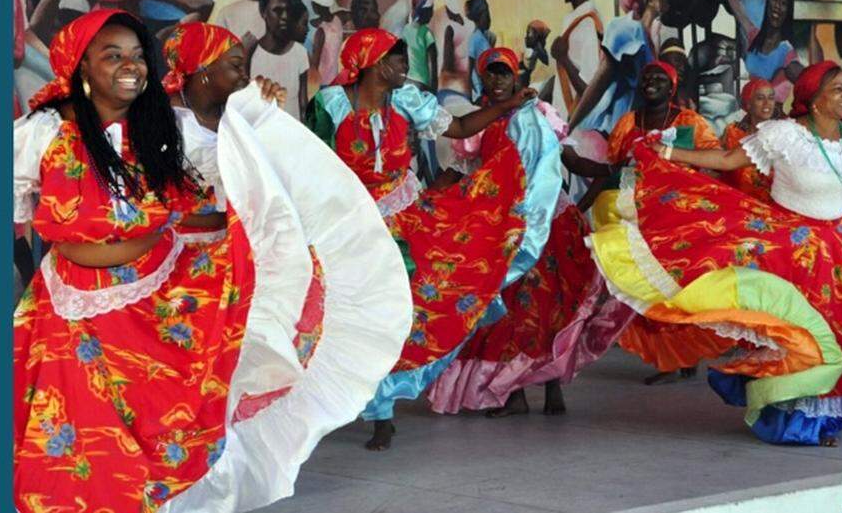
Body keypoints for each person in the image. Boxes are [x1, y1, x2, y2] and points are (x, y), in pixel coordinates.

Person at [13, 12, 411, 511]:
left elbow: (227, 174)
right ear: (81, 66)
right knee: (77, 441)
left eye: (137, 56)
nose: (130, 66)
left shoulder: (161, 127)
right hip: (72, 315)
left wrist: (258, 114)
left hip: (152, 299)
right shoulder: (42, 133)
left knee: (156, 423)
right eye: (113, 56)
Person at [305, 30, 557, 451]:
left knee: (410, 307)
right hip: (349, 222)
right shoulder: (329, 104)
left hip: (404, 216)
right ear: (374, 62)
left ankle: (382, 411)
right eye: (398, 60)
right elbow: (309, 160)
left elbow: (457, 127)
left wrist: (505, 106)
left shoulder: (407, 100)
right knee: (352, 313)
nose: (406, 69)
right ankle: (350, 401)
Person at [588, 61, 842, 446]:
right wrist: (670, 153)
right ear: (814, 100)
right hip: (789, 254)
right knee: (803, 337)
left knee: (840, 337)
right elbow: (727, 160)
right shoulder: (785, 135)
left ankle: (825, 417)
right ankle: (795, 420)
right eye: (838, 89)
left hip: (837, 258)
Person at [426, 48, 634, 417]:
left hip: (550, 223)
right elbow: (458, 171)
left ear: (516, 77)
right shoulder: (478, 122)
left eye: (504, 72)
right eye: (491, 73)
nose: (498, 79)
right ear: (482, 77)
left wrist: (612, 170)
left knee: (551, 306)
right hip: (505, 228)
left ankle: (553, 388)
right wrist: (424, 203)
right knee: (513, 311)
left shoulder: (539, 114)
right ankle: (515, 394)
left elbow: (569, 160)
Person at [584, 61, 722, 386]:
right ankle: (670, 359)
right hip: (638, 215)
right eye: (647, 78)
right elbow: (614, 168)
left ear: (672, 87)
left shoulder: (689, 121)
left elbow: (713, 161)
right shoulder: (629, 122)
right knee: (652, 286)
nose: (652, 82)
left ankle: (687, 354)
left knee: (682, 285)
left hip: (679, 216)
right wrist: (583, 204)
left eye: (660, 78)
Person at [563, 0, 668, 134]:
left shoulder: (650, 38)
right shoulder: (626, 29)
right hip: (615, 124)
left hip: (638, 124)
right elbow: (599, 82)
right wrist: (570, 126)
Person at [712, 0, 804, 106]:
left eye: (783, 3)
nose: (777, 6)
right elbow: (738, 10)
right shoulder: (755, 37)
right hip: (749, 111)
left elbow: (805, 80)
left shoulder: (787, 52)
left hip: (771, 117)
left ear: (788, 10)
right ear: (768, 2)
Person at [247, 0, 310, 120]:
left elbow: (303, 105)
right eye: (278, 10)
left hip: (291, 132)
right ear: (263, 12)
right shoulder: (252, 53)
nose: (285, 16)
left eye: (288, 10)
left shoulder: (299, 53)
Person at [550, 0, 603, 119]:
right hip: (563, 119)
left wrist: (563, 58)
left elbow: (590, 90)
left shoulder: (587, 24)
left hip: (576, 125)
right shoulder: (574, 19)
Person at [720, 78, 777, 203]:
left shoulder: (781, 135)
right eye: (760, 98)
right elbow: (719, 168)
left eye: (771, 98)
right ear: (748, 104)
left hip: (771, 207)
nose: (767, 103)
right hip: (736, 203)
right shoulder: (732, 133)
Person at [307, 0, 347, 88]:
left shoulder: (320, 30)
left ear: (315, 5)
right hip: (335, 78)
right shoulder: (338, 21)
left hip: (321, 81)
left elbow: (314, 64)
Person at [400, 0, 438, 92]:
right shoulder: (426, 33)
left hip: (408, 80)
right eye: (430, 10)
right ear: (423, 11)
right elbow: (433, 63)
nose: (432, 14)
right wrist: (434, 88)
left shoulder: (406, 30)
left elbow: (404, 56)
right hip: (422, 82)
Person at [465, 0, 493, 101]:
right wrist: (471, 97)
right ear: (478, 15)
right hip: (479, 93)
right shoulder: (475, 38)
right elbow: (469, 70)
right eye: (485, 13)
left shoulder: (483, 37)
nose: (488, 17)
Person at [659, 38, 693, 109]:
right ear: (664, 63)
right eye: (677, 60)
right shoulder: (654, 97)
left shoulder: (688, 100)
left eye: (684, 63)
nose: (682, 68)